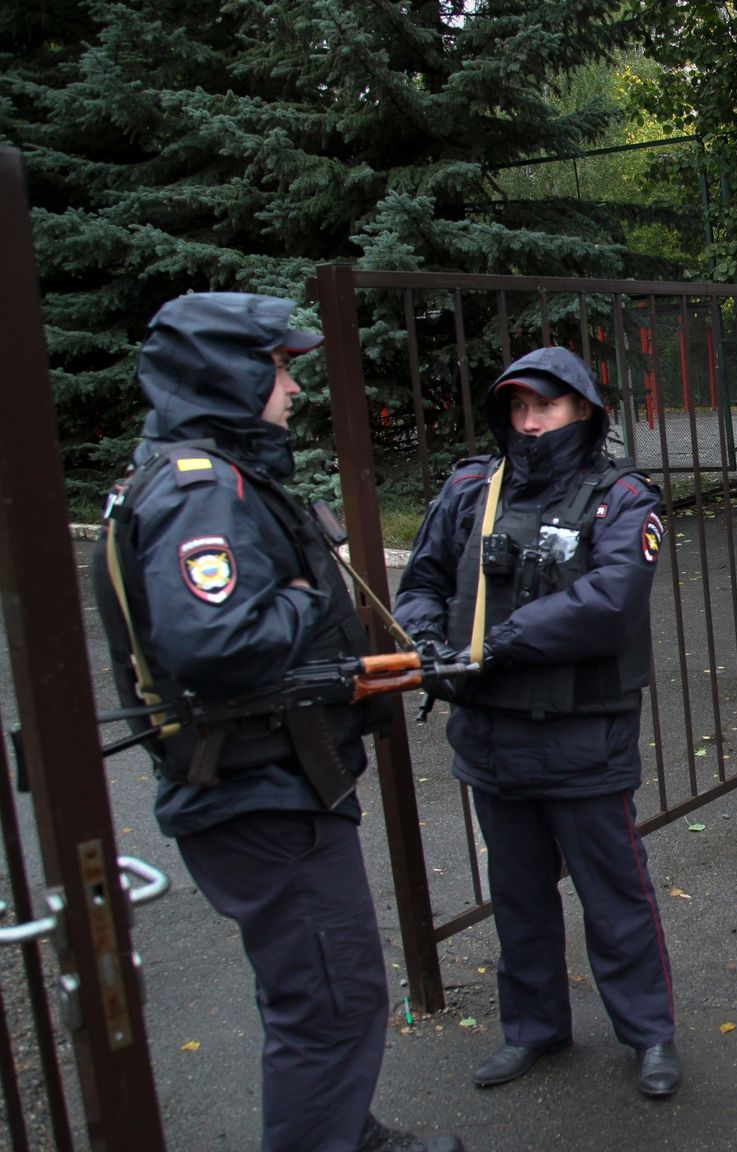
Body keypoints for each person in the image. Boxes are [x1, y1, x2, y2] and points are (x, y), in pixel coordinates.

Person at [91, 294, 462, 1152]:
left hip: (275, 779)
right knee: (332, 1003)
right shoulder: (199, 491)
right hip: (258, 792)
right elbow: (218, 642)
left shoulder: (207, 475)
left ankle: (343, 1128)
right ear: (230, 374)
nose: (292, 387)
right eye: (279, 366)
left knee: (314, 988)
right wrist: (299, 606)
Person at [393, 347, 680, 1096]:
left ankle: (649, 1035)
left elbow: (614, 600)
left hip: (583, 734)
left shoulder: (622, 498)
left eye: (545, 407)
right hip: (491, 737)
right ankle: (535, 1029)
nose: (529, 423)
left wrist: (497, 647)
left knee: (614, 894)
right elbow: (421, 581)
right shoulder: (470, 490)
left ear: (582, 410)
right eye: (518, 408)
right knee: (518, 897)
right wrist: (426, 642)